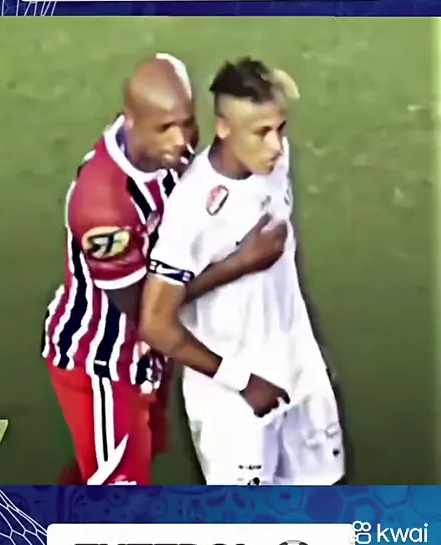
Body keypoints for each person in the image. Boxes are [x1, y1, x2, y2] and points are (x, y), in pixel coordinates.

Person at [42, 54, 289, 485]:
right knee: (120, 489)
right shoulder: (103, 206)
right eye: (164, 128)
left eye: (187, 123)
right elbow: (147, 312)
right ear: (130, 120)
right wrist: (240, 263)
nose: (182, 142)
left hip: (148, 353)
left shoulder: (162, 153)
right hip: (103, 363)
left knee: (121, 461)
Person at [139, 57, 346, 485]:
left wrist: (306, 349)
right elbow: (155, 324)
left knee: (323, 496)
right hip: (234, 401)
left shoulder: (274, 163)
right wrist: (244, 382)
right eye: (261, 132)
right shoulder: (192, 208)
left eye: (280, 129)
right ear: (223, 127)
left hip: (300, 373)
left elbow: (278, 274)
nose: (276, 145)